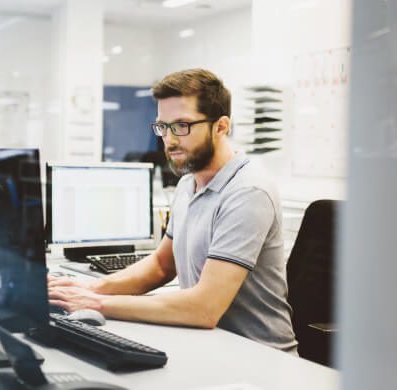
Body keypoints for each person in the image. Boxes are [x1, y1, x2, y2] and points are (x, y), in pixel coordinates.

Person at [48, 69, 297, 354]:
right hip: (212, 346)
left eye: (182, 126)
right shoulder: (188, 184)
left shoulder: (247, 191)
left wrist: (95, 303)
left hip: (260, 357)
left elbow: (204, 308)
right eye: (162, 127)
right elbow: (161, 266)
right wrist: (91, 288)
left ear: (221, 126)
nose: (169, 139)